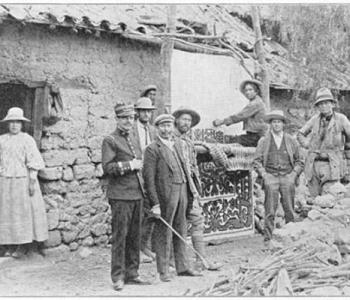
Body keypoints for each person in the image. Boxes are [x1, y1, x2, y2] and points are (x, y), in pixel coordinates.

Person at [143, 114, 201, 282]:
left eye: (169, 125)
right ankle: (163, 270)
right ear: (157, 128)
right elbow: (149, 180)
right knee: (164, 232)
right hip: (166, 195)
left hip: (182, 189)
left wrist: (190, 191)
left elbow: (184, 167)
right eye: (163, 126)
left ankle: (182, 267)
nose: (167, 129)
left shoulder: (176, 145)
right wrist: (154, 203)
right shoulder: (152, 149)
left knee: (181, 228)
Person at [102, 102, 150, 291]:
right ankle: (118, 276)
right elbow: (107, 168)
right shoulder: (110, 140)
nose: (128, 121)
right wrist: (130, 165)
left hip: (136, 194)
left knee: (135, 237)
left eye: (131, 118)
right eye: (124, 118)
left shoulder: (134, 139)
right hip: (120, 195)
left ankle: (133, 273)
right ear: (117, 119)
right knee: (120, 236)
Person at [172, 106, 222, 271]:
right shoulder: (170, 140)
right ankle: (173, 262)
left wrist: (196, 188)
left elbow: (192, 168)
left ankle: (201, 260)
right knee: (176, 224)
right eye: (183, 119)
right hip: (175, 188)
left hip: (190, 189)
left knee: (197, 221)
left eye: (189, 120)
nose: (186, 123)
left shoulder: (189, 142)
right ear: (176, 120)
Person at [0, 107, 48, 258]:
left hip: (22, 181)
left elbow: (33, 161)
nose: (14, 125)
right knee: (7, 212)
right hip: (5, 181)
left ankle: (23, 245)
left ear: (22, 124)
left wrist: (32, 182)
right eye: (11, 122)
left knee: (22, 212)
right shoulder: (2, 140)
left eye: (17, 122)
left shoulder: (27, 139)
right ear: (7, 124)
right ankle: (8, 245)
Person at [253, 110, 304, 245]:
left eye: (279, 122)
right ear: (271, 124)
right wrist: (265, 175)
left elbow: (300, 161)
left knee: (289, 209)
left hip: (287, 176)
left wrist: (293, 175)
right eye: (274, 122)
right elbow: (256, 161)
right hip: (271, 177)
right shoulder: (264, 141)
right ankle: (268, 239)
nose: (276, 125)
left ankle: (292, 238)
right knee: (270, 210)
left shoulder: (291, 140)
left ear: (283, 124)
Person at [297, 87, 350, 197]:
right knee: (313, 198)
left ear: (332, 104)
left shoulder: (341, 119)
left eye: (326, 103)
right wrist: (307, 145)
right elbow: (300, 134)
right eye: (320, 104)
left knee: (330, 198)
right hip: (313, 164)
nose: (323, 106)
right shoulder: (314, 119)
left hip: (332, 164)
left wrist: (346, 152)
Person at [133, 97, 157, 263]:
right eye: (143, 111)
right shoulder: (131, 130)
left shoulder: (153, 130)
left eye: (149, 111)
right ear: (137, 112)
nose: (147, 114)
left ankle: (144, 245)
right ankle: (135, 250)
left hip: (151, 175)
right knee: (138, 212)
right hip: (136, 174)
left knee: (151, 211)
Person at [213, 79, 268, 147]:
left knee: (228, 140)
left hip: (257, 137)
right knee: (231, 139)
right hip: (255, 136)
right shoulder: (257, 102)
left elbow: (240, 116)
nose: (247, 92)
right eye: (246, 90)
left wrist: (221, 121)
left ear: (256, 91)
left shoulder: (255, 103)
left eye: (250, 90)